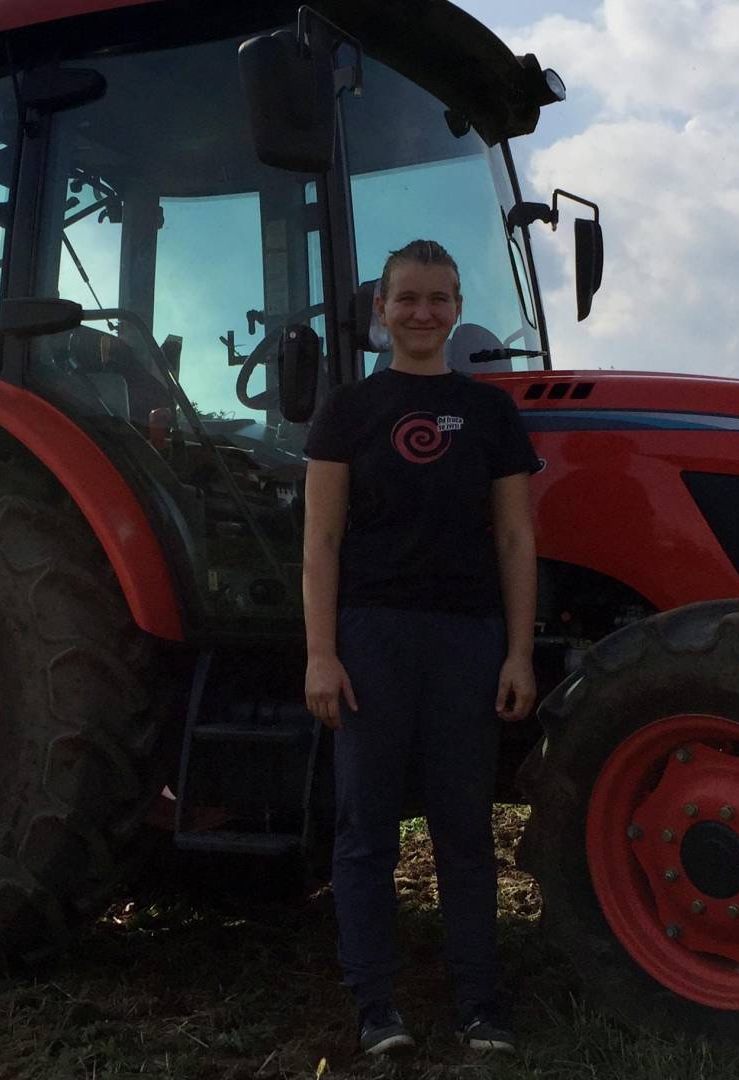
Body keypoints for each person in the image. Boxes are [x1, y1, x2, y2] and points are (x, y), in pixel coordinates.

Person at [301, 239, 539, 1056]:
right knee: (367, 826)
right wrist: (322, 653)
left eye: (439, 298)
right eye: (407, 298)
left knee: (463, 828)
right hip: (372, 637)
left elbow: (514, 540)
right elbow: (322, 542)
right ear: (382, 309)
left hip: (467, 638)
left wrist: (518, 653)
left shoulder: (491, 414)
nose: (423, 312)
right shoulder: (347, 410)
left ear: (459, 308)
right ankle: (376, 1007)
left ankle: (479, 1003)